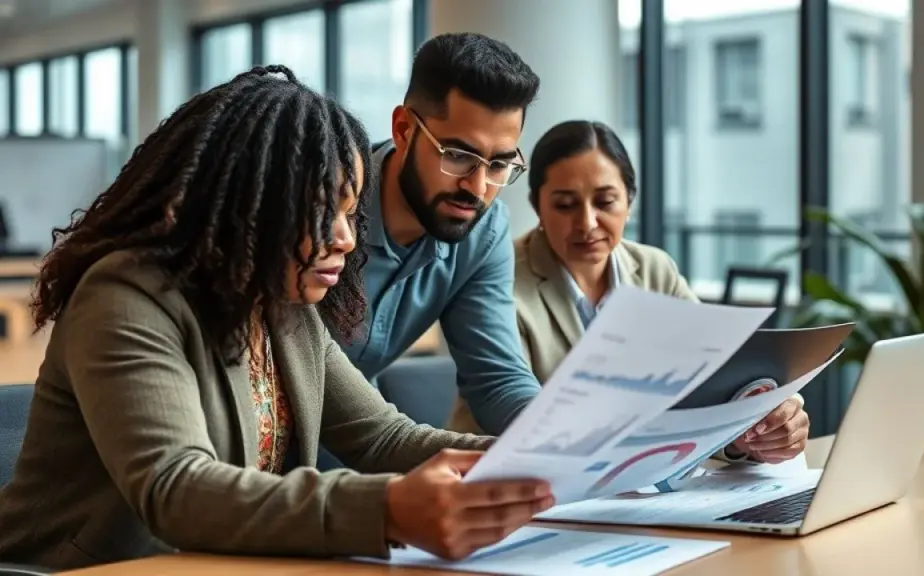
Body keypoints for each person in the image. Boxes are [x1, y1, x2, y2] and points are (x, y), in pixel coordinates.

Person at [0, 66, 553, 571]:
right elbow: (176, 487)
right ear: (248, 202)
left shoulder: (284, 310)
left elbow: (384, 438)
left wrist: (543, 457)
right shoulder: (127, 296)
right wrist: (385, 507)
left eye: (350, 212)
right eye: (322, 210)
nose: (346, 238)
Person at [448, 120, 810, 464]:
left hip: (628, 487)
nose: (587, 223)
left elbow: (714, 383)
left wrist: (757, 426)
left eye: (605, 202)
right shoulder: (499, 280)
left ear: (629, 201)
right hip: (504, 479)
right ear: (537, 206)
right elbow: (509, 415)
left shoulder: (656, 270)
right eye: (565, 205)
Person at [339, 32, 542, 435]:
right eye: (459, 156)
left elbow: (497, 378)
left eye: (499, 164)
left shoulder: (483, 231)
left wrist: (562, 437)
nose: (478, 187)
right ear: (403, 129)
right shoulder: (324, 207)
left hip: (346, 453)